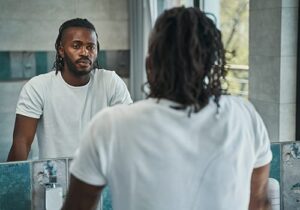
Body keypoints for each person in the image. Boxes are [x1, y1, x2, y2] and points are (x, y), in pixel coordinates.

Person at [62, 7, 272, 210]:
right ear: (212, 64)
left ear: (149, 65)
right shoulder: (245, 116)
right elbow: (259, 203)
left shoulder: (111, 126)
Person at [7, 18, 132, 161]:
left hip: (100, 176)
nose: (85, 52)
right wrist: (13, 181)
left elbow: (128, 133)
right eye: (76, 46)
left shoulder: (110, 82)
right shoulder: (38, 87)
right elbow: (21, 143)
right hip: (53, 178)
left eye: (91, 47)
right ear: (61, 50)